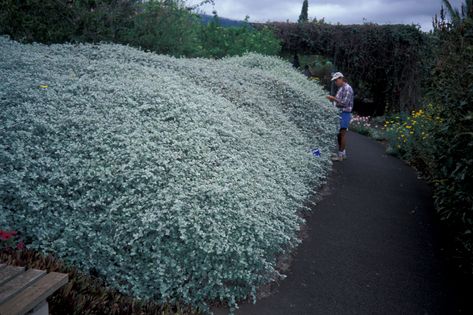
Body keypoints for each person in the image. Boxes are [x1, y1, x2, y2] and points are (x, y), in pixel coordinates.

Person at [326, 72, 354, 161]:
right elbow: (338, 102)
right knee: (339, 134)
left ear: (341, 78)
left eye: (336, 80)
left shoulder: (347, 88)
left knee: (342, 133)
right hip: (340, 113)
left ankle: (341, 156)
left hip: (345, 113)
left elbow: (344, 103)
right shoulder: (341, 88)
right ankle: (342, 153)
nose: (335, 82)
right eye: (334, 81)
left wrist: (333, 98)